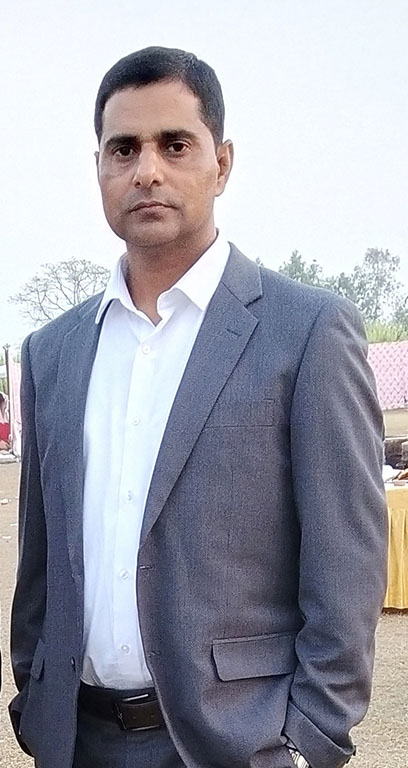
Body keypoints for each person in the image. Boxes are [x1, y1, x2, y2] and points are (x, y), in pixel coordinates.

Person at [9, 46, 387, 768]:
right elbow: (40, 560)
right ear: (99, 167)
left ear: (223, 163)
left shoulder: (306, 332)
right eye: (124, 148)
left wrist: (308, 741)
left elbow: (347, 563)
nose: (147, 170)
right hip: (75, 742)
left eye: (174, 144)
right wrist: (36, 697)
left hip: (236, 744)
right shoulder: (53, 352)